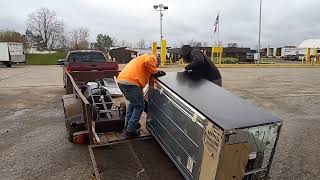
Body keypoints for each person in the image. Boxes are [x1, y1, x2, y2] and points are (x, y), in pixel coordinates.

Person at [117, 54, 166, 137]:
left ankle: (128, 125)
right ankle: (130, 130)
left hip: (122, 81)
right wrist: (156, 71)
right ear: (157, 61)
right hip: (131, 83)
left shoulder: (140, 59)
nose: (155, 67)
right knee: (140, 106)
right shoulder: (152, 57)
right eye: (155, 66)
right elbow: (148, 62)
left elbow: (149, 80)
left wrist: (144, 95)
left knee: (133, 104)